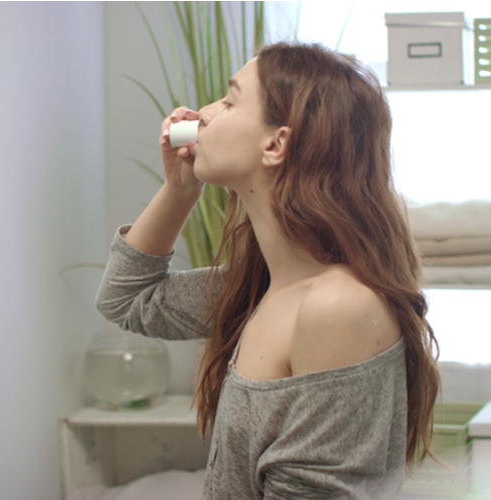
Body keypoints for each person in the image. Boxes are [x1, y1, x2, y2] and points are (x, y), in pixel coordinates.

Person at [95, 42, 440, 499]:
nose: (202, 114)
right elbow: (126, 300)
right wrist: (179, 190)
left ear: (276, 144)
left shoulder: (336, 307)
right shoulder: (260, 288)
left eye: (229, 101)